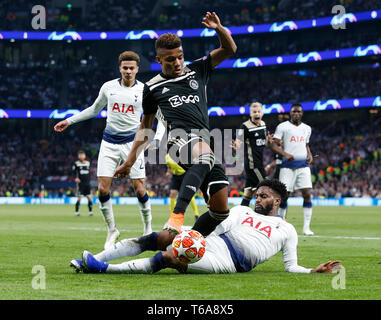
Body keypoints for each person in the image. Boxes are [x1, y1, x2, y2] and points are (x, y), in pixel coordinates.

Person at [114, 12, 237, 238]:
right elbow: (145, 128)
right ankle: (177, 215)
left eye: (180, 56)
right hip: (178, 140)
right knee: (206, 157)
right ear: (159, 60)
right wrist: (129, 161)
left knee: (220, 211)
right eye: (170, 59)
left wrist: (219, 28)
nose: (177, 62)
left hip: (203, 142)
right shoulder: (151, 88)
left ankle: (177, 244)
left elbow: (230, 50)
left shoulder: (197, 70)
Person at [76, 179, 341, 275]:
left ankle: (104, 269)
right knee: (160, 237)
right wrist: (188, 237)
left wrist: (311, 271)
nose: (257, 199)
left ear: (277, 200)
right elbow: (217, 227)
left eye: (263, 196)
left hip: (230, 262)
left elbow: (290, 266)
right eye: (257, 195)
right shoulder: (243, 210)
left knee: (170, 257)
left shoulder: (288, 230)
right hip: (213, 243)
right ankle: (91, 260)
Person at [54, 51, 152, 250]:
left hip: (132, 144)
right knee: (102, 189)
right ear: (120, 68)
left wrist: (153, 139)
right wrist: (69, 121)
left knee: (139, 189)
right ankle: (112, 230)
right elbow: (93, 109)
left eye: (132, 68)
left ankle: (148, 229)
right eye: (125, 67)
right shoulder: (108, 87)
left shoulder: (144, 90)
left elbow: (155, 116)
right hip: (108, 142)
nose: (128, 71)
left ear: (137, 69)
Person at [271, 103, 314, 235]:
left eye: (299, 112)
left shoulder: (307, 128)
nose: (296, 113)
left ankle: (306, 228)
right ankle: (282, 223)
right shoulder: (283, 127)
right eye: (294, 111)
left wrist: (310, 154)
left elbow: (306, 144)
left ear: (302, 113)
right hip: (287, 167)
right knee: (284, 196)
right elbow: (273, 144)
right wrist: (285, 154)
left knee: (307, 194)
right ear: (290, 113)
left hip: (303, 166)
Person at [232, 102, 272, 207]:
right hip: (252, 165)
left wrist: (268, 141)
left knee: (248, 194)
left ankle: (239, 216)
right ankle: (265, 215)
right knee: (266, 189)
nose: (257, 113)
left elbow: (266, 144)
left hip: (259, 163)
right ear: (250, 114)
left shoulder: (263, 125)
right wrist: (236, 145)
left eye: (259, 111)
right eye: (254, 112)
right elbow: (239, 143)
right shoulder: (244, 126)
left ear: (262, 113)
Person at [166, 153, 200, 221]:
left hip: (185, 174)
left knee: (189, 194)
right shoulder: (167, 157)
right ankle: (172, 215)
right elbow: (169, 168)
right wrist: (168, 172)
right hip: (176, 176)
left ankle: (196, 215)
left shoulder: (182, 152)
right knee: (172, 194)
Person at [72, 150, 93, 217]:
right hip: (81, 184)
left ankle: (90, 212)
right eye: (80, 155)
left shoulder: (88, 163)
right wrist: (76, 178)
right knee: (79, 198)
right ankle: (76, 212)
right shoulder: (76, 163)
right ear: (78, 156)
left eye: (83, 155)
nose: (82, 156)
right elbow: (73, 172)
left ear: (85, 156)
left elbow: (89, 172)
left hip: (87, 184)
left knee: (89, 198)